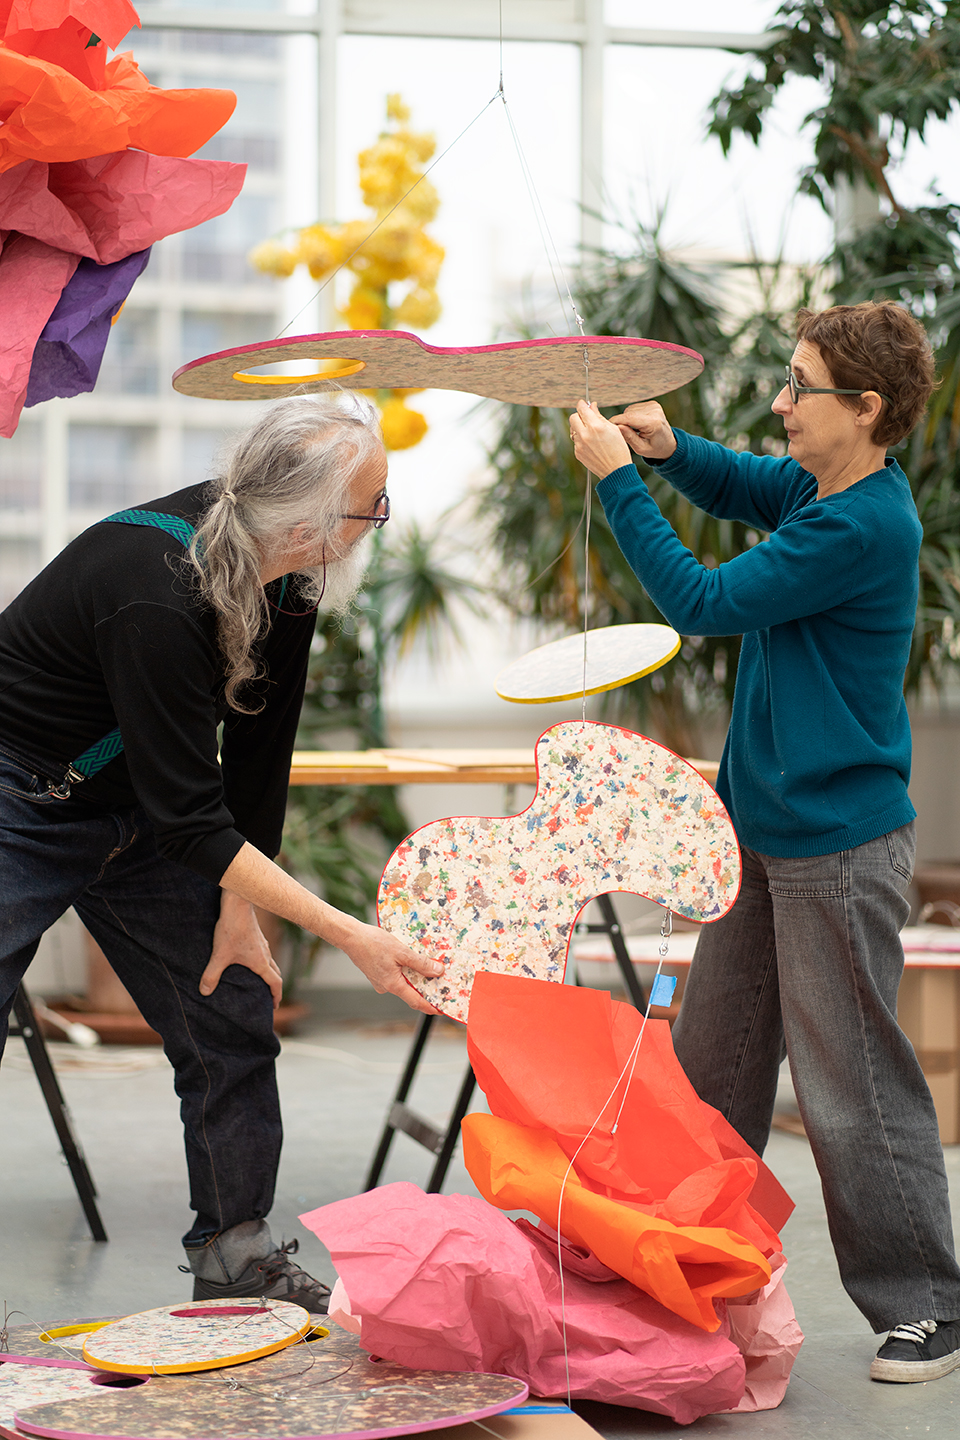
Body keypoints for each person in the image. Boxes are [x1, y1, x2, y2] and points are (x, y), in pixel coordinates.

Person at [569, 301, 960, 1384]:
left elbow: (697, 598)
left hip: (836, 846)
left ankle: (929, 1304)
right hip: (759, 834)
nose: (781, 404)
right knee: (714, 1070)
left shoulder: (861, 524)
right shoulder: (820, 489)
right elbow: (748, 483)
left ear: (866, 409)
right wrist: (670, 447)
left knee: (851, 1087)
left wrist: (618, 479)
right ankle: (685, 1272)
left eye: (801, 387)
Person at [0, 392, 441, 1311]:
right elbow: (192, 820)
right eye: (374, 504)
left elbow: (254, 762)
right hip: (18, 797)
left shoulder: (290, 579)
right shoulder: (154, 583)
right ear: (315, 518)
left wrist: (240, 917)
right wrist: (349, 935)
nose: (380, 522)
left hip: (137, 809)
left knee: (230, 1005)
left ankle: (235, 1256)